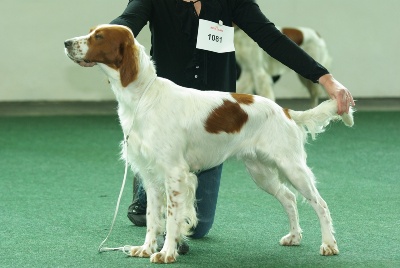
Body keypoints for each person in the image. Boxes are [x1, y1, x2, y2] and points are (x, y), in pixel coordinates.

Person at [79, 0, 355, 254]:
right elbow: (125, 23)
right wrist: (100, 45)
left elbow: (271, 38)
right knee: (162, 166)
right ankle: (148, 199)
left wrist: (325, 78)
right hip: (164, 109)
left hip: (220, 120)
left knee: (199, 228)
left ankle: (165, 205)